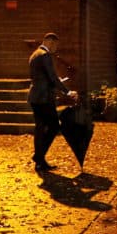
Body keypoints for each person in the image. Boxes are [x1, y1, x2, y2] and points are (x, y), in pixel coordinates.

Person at [27, 33, 77, 172]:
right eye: (55, 44)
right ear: (49, 42)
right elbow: (52, 77)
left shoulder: (34, 54)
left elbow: (43, 76)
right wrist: (67, 92)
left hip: (34, 96)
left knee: (40, 128)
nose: (56, 48)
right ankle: (39, 157)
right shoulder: (45, 55)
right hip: (44, 98)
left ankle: (39, 160)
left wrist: (56, 81)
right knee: (54, 126)